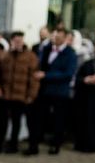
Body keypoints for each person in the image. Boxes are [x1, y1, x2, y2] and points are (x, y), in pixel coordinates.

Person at [27, 26, 79, 155]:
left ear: (65, 38)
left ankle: (55, 145)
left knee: (58, 119)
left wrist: (46, 75)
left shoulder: (70, 53)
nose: (55, 39)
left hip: (60, 92)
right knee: (37, 117)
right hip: (43, 91)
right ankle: (34, 145)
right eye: (54, 36)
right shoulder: (46, 49)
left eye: (59, 37)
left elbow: (68, 74)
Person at [0, 32, 39, 155]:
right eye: (15, 41)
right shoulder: (5, 56)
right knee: (2, 122)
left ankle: (14, 145)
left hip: (21, 95)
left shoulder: (30, 57)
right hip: (5, 95)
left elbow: (34, 78)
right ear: (11, 42)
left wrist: (31, 95)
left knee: (17, 122)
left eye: (20, 41)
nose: (18, 43)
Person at [73, 36, 95, 152]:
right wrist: (86, 80)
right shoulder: (88, 63)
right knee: (85, 121)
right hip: (86, 98)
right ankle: (83, 144)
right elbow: (78, 78)